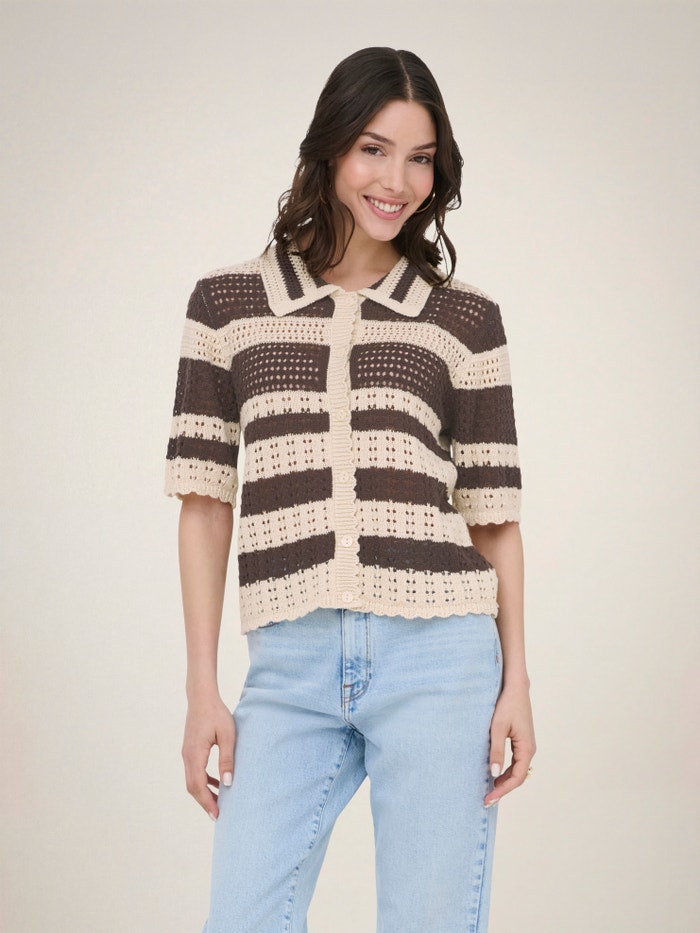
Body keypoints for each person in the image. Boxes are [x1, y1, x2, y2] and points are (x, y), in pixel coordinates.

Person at [165, 46, 536, 933]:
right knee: (244, 915)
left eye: (420, 158)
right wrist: (202, 686)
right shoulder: (226, 306)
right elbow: (206, 502)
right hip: (288, 662)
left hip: (441, 658)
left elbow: (493, 519)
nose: (396, 181)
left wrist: (517, 679)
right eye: (374, 149)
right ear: (331, 147)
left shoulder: (465, 319)